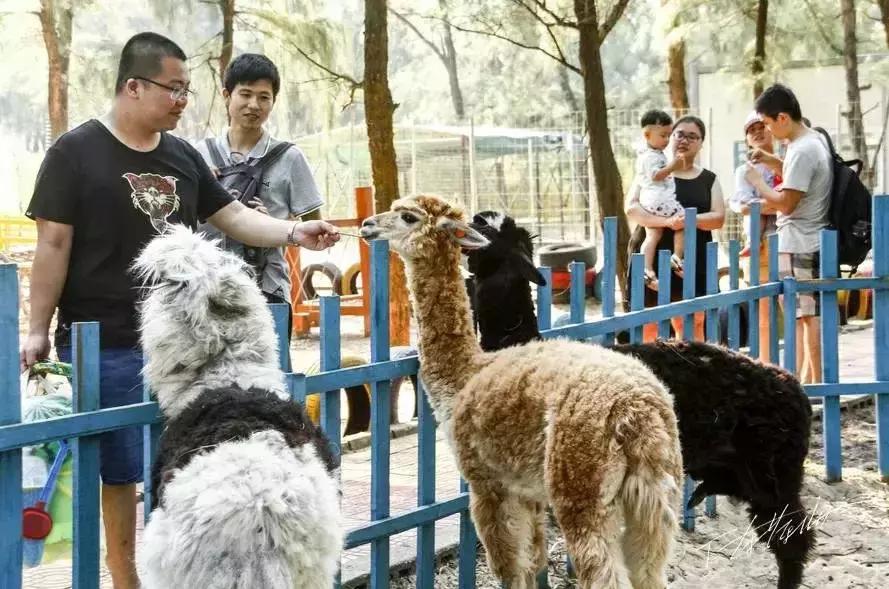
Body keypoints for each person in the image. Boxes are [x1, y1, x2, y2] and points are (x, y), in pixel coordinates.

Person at [19, 32, 340, 588]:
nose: (183, 100)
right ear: (134, 86)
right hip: (107, 342)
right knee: (117, 472)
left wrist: (294, 231)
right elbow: (53, 246)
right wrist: (37, 328)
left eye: (188, 90)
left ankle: (181, 569)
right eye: (174, 89)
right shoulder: (74, 153)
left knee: (180, 466)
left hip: (188, 352)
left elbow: (234, 218)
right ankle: (126, 579)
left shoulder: (182, 156)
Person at [196, 53, 324, 340]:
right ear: (227, 95)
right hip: (205, 291)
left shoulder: (289, 157)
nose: (254, 105)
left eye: (264, 97)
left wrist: (276, 226)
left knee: (267, 378)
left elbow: (315, 229)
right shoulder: (199, 155)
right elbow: (177, 223)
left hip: (267, 289)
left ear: (273, 102)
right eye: (246, 94)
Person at [747, 83, 832, 384]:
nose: (767, 131)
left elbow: (786, 203)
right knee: (805, 316)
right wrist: (772, 162)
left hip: (800, 239)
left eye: (768, 123)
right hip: (807, 237)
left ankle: (815, 383)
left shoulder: (802, 150)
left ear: (782, 118)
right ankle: (811, 381)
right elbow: (800, 178)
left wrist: (757, 182)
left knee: (806, 317)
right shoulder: (812, 139)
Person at [626, 115, 726, 342]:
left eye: (693, 136)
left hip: (691, 257)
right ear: (670, 136)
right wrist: (666, 223)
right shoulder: (652, 170)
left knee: (692, 322)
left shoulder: (708, 179)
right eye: (680, 134)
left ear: (701, 143)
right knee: (647, 324)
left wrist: (689, 220)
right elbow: (631, 208)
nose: (685, 140)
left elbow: (718, 217)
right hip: (652, 249)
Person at [731, 111, 782, 363]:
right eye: (751, 130)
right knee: (763, 312)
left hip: (786, 240)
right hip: (760, 245)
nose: (758, 132)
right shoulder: (745, 170)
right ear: (747, 139)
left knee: (793, 309)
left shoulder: (785, 161)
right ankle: (767, 364)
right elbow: (741, 204)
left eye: (762, 126)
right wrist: (772, 204)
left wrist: (760, 204)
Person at [634, 109, 687, 288]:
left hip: (650, 203)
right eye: (663, 135)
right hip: (659, 200)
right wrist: (673, 166)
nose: (666, 140)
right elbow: (656, 175)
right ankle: (677, 258)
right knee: (682, 221)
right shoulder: (650, 156)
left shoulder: (649, 154)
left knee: (652, 236)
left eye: (668, 135)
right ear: (647, 135)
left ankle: (647, 271)